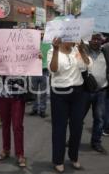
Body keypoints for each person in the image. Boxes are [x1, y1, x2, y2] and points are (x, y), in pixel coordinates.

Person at [48, 37, 91, 173]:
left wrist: (82, 50)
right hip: (59, 93)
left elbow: (88, 66)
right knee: (59, 128)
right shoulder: (52, 50)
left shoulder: (76, 50)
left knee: (77, 127)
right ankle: (58, 160)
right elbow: (53, 70)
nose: (72, 40)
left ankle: (73, 157)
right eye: (69, 38)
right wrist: (55, 50)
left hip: (78, 93)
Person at [83, 33, 107, 153]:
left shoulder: (106, 51)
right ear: (89, 40)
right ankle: (73, 140)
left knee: (99, 118)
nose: (96, 41)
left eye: (98, 39)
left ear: (102, 40)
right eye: (93, 39)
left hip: (101, 91)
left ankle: (96, 142)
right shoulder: (83, 50)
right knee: (78, 118)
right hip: (85, 91)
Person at [0, 75, 28, 167]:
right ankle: (6, 149)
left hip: (18, 94)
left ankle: (20, 154)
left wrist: (37, 60)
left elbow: (31, 66)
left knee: (17, 125)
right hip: (1, 93)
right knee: (5, 123)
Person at [30, 35, 49, 118]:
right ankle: (35, 108)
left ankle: (42, 110)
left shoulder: (48, 44)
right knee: (34, 91)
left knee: (43, 92)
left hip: (44, 70)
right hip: (34, 70)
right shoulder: (31, 44)